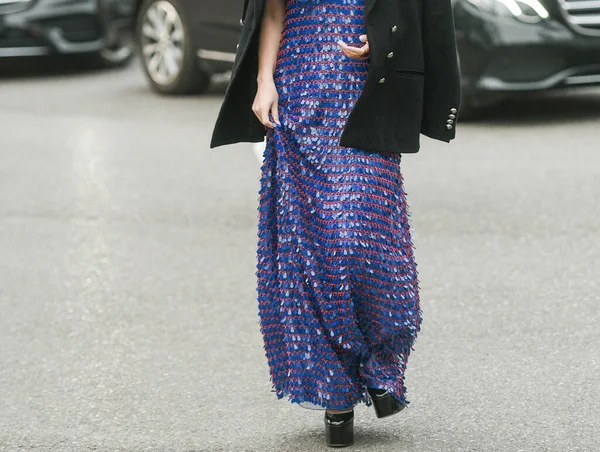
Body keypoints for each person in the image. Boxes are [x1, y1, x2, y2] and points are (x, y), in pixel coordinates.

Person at [211, 0, 461, 447]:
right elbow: (272, 12)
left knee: (366, 238)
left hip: (364, 94)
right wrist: (264, 81)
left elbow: (411, 12)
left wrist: (381, 42)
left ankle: (380, 365)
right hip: (300, 92)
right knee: (315, 245)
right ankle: (336, 394)